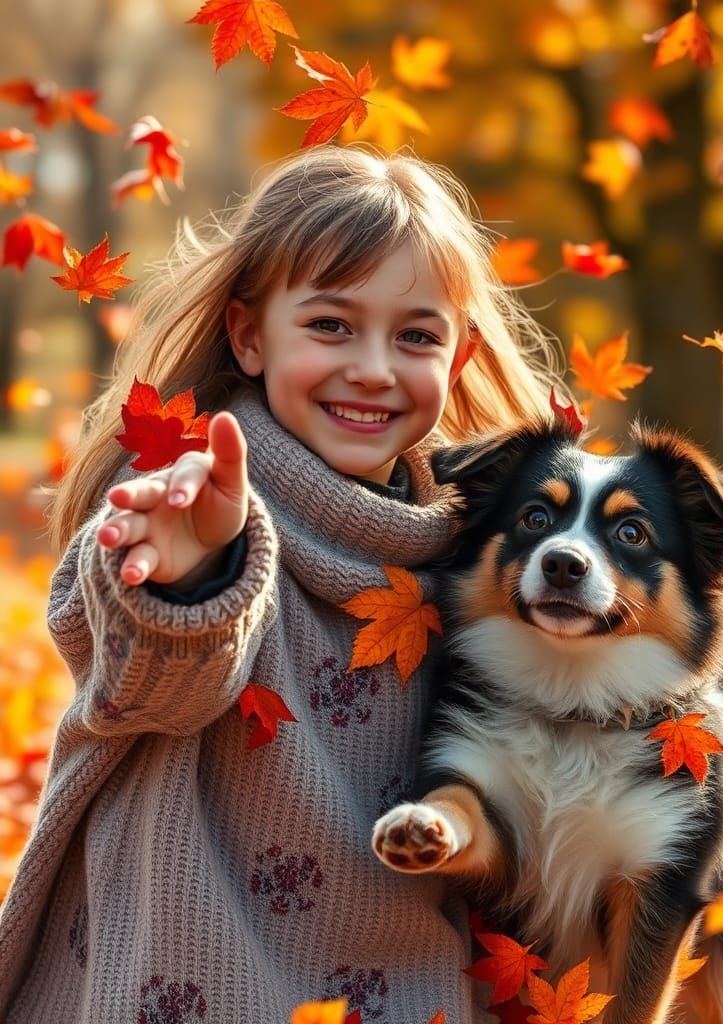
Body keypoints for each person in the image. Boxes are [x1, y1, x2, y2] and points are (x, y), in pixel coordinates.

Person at [0, 144, 561, 1023]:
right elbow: (145, 684)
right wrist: (191, 580)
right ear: (249, 334)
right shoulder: (188, 504)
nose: (374, 366)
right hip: (187, 985)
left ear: (456, 363)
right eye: (332, 325)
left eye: (415, 335)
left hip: (410, 991)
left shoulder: (480, 568)